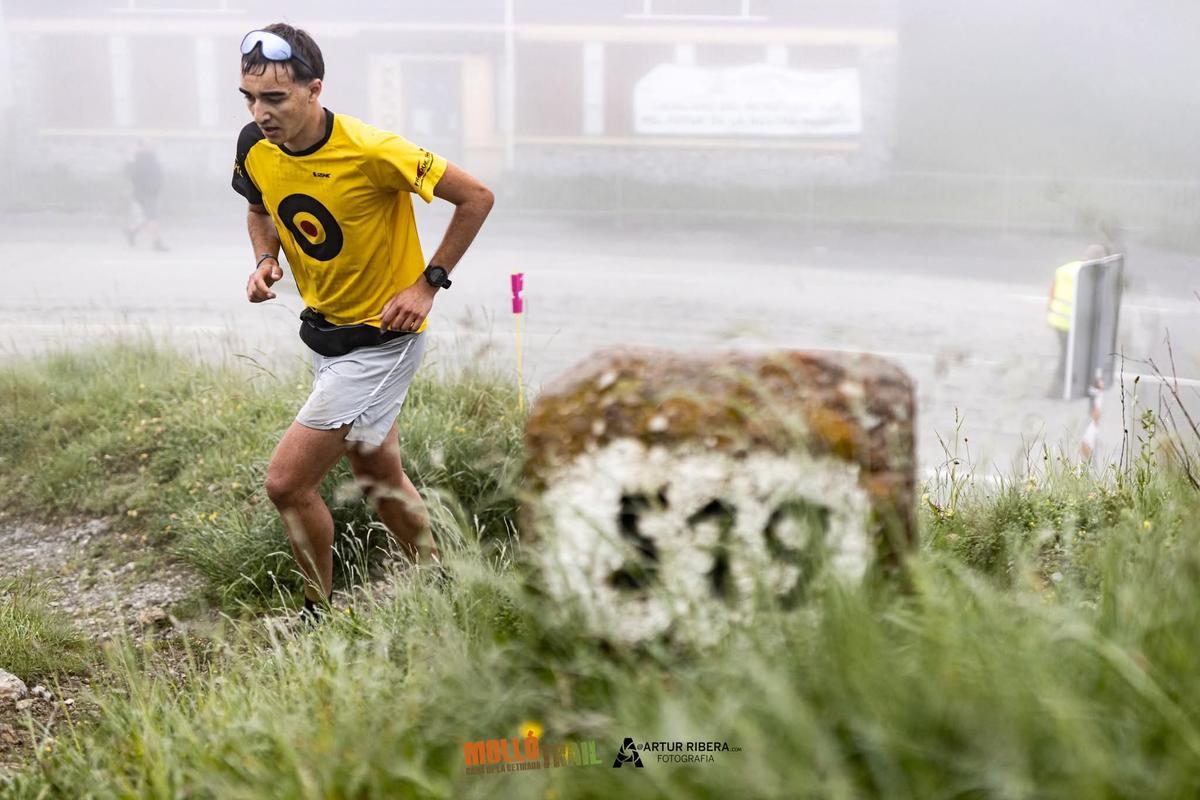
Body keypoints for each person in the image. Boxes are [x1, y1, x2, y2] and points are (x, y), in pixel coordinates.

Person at [231, 24, 494, 619]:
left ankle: (316, 614)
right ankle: (443, 588)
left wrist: (429, 284)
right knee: (377, 468)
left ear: (314, 89)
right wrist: (265, 259)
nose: (260, 112)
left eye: (274, 98)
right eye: (249, 97)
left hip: (384, 341)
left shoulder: (374, 150)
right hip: (325, 333)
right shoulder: (254, 145)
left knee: (286, 483)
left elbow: (476, 196)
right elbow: (258, 207)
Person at [1046, 244, 1107, 398]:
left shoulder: (1064, 269)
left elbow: (1052, 292)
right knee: (1068, 356)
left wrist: (1048, 312)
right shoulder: (1090, 275)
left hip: (1058, 319)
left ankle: (1071, 383)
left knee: (1070, 354)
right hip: (1071, 322)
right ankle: (1055, 390)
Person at [125, 138, 168, 251]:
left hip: (152, 193)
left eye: (152, 143)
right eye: (148, 144)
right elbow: (134, 177)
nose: (153, 145)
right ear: (142, 147)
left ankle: (132, 232)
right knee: (152, 219)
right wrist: (145, 190)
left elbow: (158, 175)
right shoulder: (141, 160)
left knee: (149, 218)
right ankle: (156, 243)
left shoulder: (151, 158)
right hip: (147, 194)